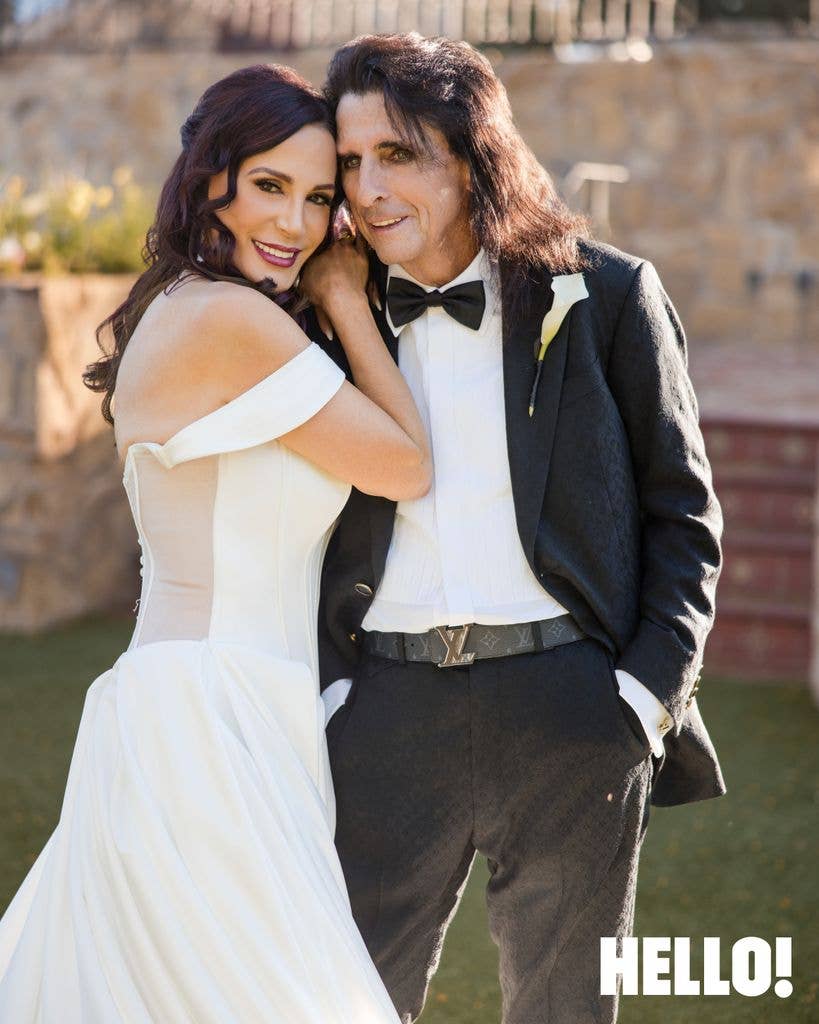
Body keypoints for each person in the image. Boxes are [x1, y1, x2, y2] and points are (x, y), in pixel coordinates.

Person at [0, 63, 428, 1022]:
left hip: (232, 708)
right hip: (208, 715)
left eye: (319, 199)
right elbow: (404, 465)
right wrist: (349, 301)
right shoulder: (229, 320)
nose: (293, 223)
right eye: (269, 186)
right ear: (210, 183)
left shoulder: (195, 309)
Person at [314, 33, 726, 1024]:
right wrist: (331, 694)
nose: (367, 188)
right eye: (350, 162)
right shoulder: (325, 315)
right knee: (336, 999)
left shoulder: (610, 296)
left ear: (470, 153)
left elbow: (685, 513)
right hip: (381, 713)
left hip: (569, 712)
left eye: (397, 155)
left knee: (564, 1009)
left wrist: (640, 701)